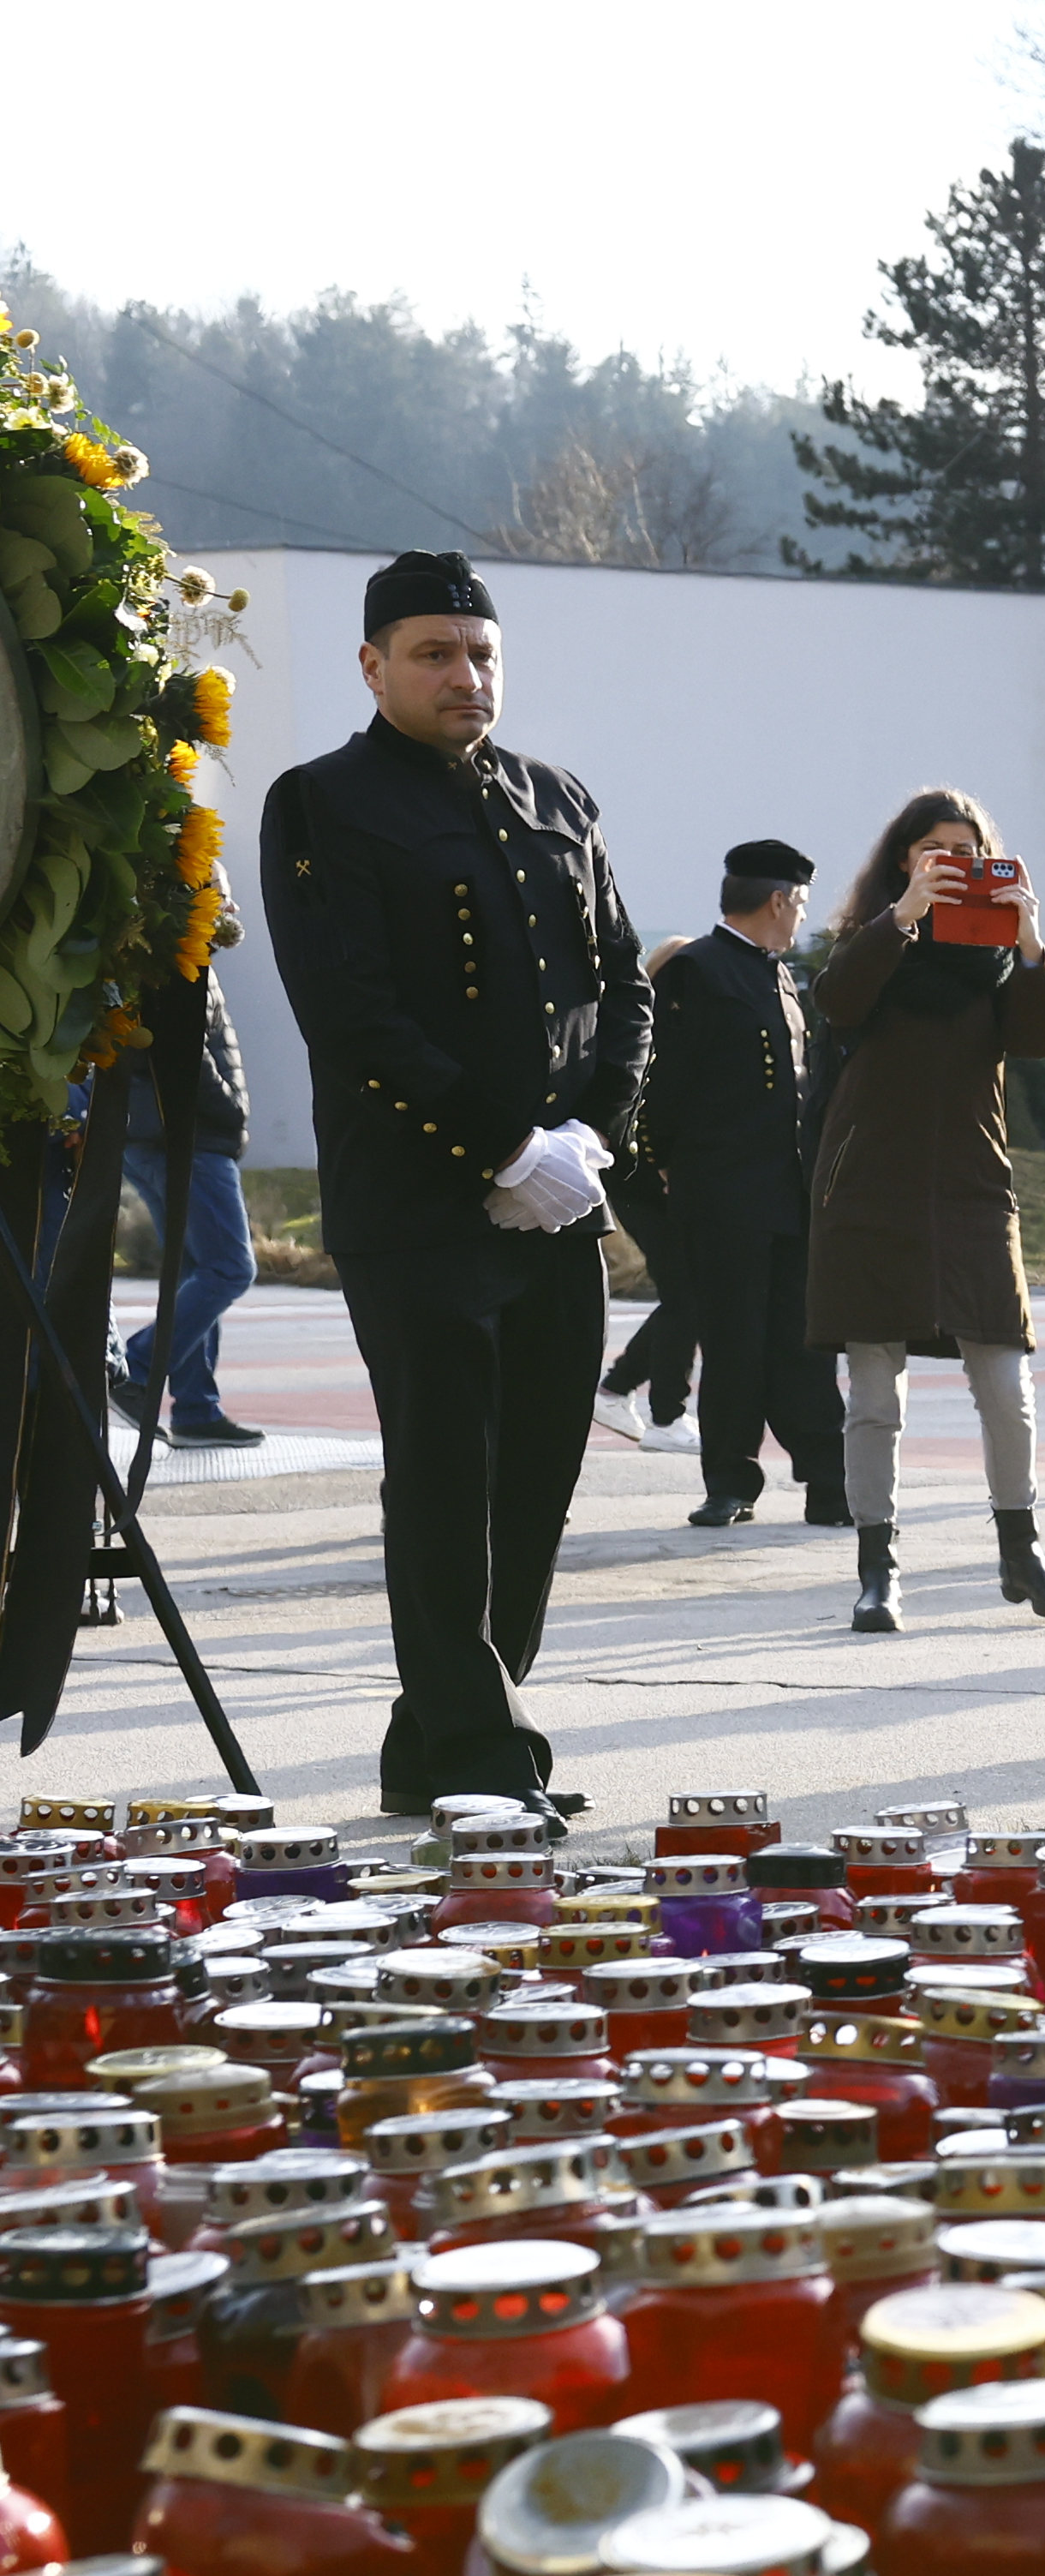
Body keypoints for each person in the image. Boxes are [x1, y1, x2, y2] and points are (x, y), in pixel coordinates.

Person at [259, 551, 640, 1818]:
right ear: (373, 667)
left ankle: (434, 1745)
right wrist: (499, 1149)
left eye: (479, 653)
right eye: (432, 654)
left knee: (534, 1482)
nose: (463, 676)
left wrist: (588, 1141)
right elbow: (352, 1012)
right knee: (442, 1482)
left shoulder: (559, 796)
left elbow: (625, 988)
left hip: (557, 1202)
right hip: (421, 1206)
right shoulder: (322, 803)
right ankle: (484, 1761)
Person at [807, 795, 1045, 1632]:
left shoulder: (998, 959)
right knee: (874, 1396)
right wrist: (906, 917)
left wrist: (1029, 940)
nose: (953, 863)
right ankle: (877, 1569)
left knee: (1007, 1385)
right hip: (870, 1190)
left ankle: (1020, 1549)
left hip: (972, 1189)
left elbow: (1040, 1040)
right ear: (905, 860)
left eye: (968, 851)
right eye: (935, 851)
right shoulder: (874, 942)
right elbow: (836, 1001)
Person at [637, 836, 848, 1527]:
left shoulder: (780, 974)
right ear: (778, 900)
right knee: (733, 1341)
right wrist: (667, 1162)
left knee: (801, 1341)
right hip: (721, 1194)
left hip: (786, 1193)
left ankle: (828, 1477)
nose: (802, 921)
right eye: (800, 906)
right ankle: (730, 1481)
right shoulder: (697, 970)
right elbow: (663, 1081)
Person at [96, 961, 260, 1449]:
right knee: (231, 1268)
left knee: (194, 1270)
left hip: (155, 1136)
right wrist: (232, 1108)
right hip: (186, 1139)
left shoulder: (163, 956)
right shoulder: (178, 961)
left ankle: (195, 1409)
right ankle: (138, 1369)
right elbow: (180, 1049)